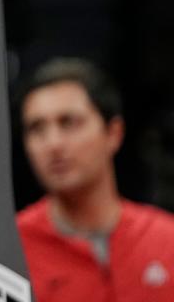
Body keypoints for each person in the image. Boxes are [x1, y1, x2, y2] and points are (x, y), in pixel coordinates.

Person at [16, 57, 174, 302]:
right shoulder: (12, 250)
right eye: (37, 129)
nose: (53, 144)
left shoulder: (166, 241)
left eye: (69, 123)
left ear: (113, 133)